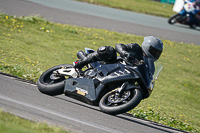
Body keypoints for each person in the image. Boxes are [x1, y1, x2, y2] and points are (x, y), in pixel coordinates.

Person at [74, 36, 163, 77]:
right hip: (112, 64)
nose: (155, 54)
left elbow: (149, 77)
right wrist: (124, 53)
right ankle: (79, 64)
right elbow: (119, 46)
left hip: (124, 75)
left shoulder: (151, 66)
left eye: (157, 53)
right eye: (154, 51)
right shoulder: (136, 48)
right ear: (147, 46)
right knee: (109, 50)